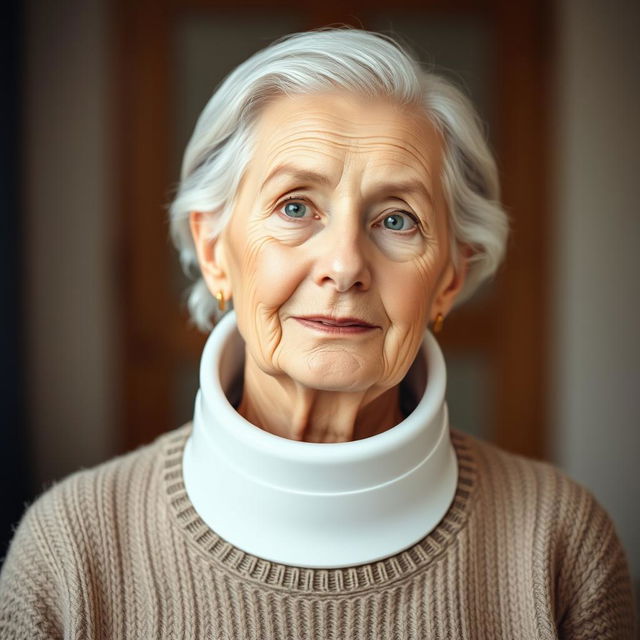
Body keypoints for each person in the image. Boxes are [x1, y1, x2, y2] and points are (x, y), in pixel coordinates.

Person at [0, 29, 635, 639]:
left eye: (396, 219)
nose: (346, 265)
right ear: (215, 248)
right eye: (295, 207)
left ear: (448, 279)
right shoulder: (70, 551)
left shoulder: (560, 540)